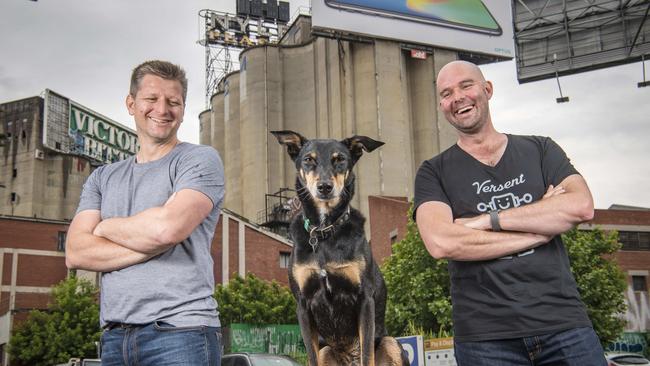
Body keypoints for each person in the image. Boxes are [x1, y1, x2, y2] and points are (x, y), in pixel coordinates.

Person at [413, 60, 606, 365]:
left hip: (565, 327)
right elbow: (442, 242)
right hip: (485, 340)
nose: (458, 97)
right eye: (447, 93)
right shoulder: (432, 172)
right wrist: (540, 231)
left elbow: (580, 206)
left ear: (487, 90)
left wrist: (484, 222)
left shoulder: (540, 149)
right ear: (442, 105)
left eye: (466, 85)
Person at [66, 60, 224, 366]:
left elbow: (167, 230)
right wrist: (153, 242)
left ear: (182, 108)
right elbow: (75, 252)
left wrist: (104, 227)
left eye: (173, 102)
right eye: (152, 99)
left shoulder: (199, 160)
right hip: (114, 338)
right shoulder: (103, 177)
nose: (162, 109)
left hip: (182, 332)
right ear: (131, 103)